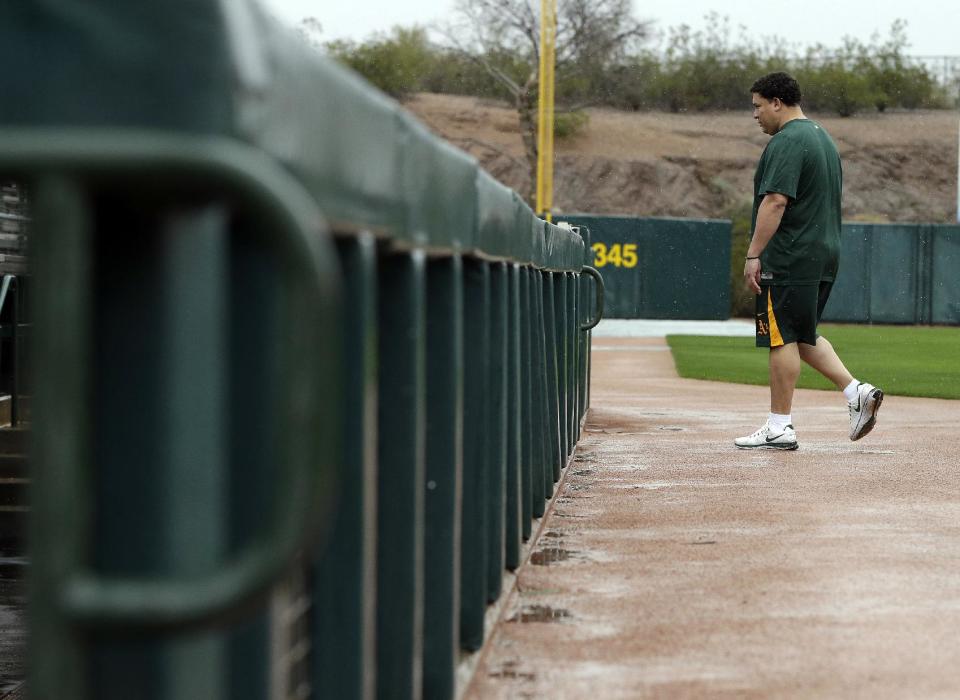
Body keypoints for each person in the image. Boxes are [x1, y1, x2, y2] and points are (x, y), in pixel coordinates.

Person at [735, 72, 882, 451]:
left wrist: (753, 254)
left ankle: (779, 426)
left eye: (757, 106)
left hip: (790, 255)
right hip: (822, 252)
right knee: (800, 333)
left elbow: (776, 200)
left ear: (776, 103)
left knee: (780, 336)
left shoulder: (788, 140)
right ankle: (856, 392)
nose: (755, 114)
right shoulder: (822, 137)